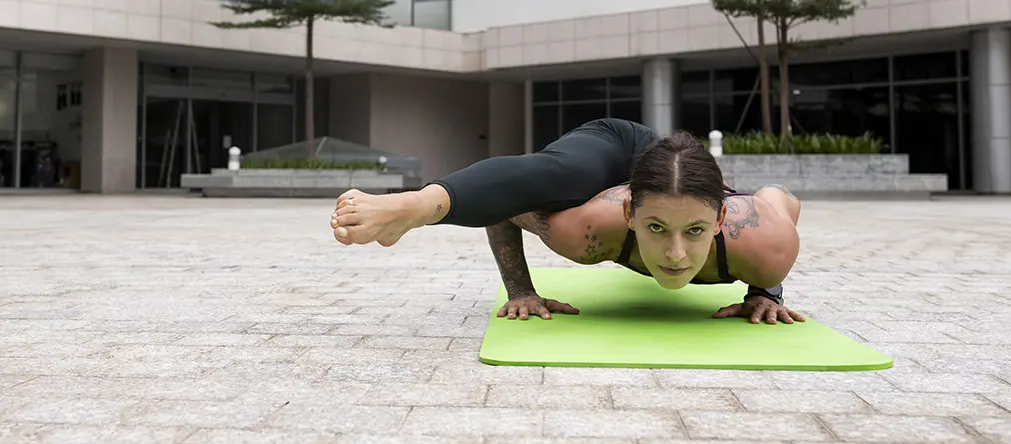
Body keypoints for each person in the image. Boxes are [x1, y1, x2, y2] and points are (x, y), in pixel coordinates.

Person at [330, 118, 805, 325]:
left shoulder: (766, 247)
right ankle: (417, 205)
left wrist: (764, 293)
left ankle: (689, 209)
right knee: (564, 174)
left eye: (695, 232)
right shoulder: (588, 233)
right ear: (628, 214)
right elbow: (511, 204)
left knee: (693, 206)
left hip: (680, 187)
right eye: (656, 230)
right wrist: (520, 289)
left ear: (722, 219)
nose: (676, 255)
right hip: (617, 146)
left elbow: (781, 197)